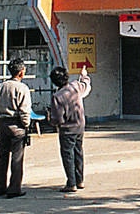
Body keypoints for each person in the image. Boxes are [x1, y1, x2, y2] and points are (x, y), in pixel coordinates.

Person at [0, 58, 31, 198]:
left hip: (2, 124)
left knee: (2, 156)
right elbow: (25, 111)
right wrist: (26, 125)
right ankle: (14, 188)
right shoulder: (22, 88)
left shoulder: (0, 86)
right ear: (21, 72)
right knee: (17, 158)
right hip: (17, 125)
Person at [49, 64, 91, 193]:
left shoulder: (57, 97)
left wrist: (50, 119)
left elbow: (57, 119)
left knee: (68, 155)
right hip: (80, 125)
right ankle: (80, 180)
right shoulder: (75, 86)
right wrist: (84, 75)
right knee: (78, 152)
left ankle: (71, 183)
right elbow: (86, 84)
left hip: (67, 129)